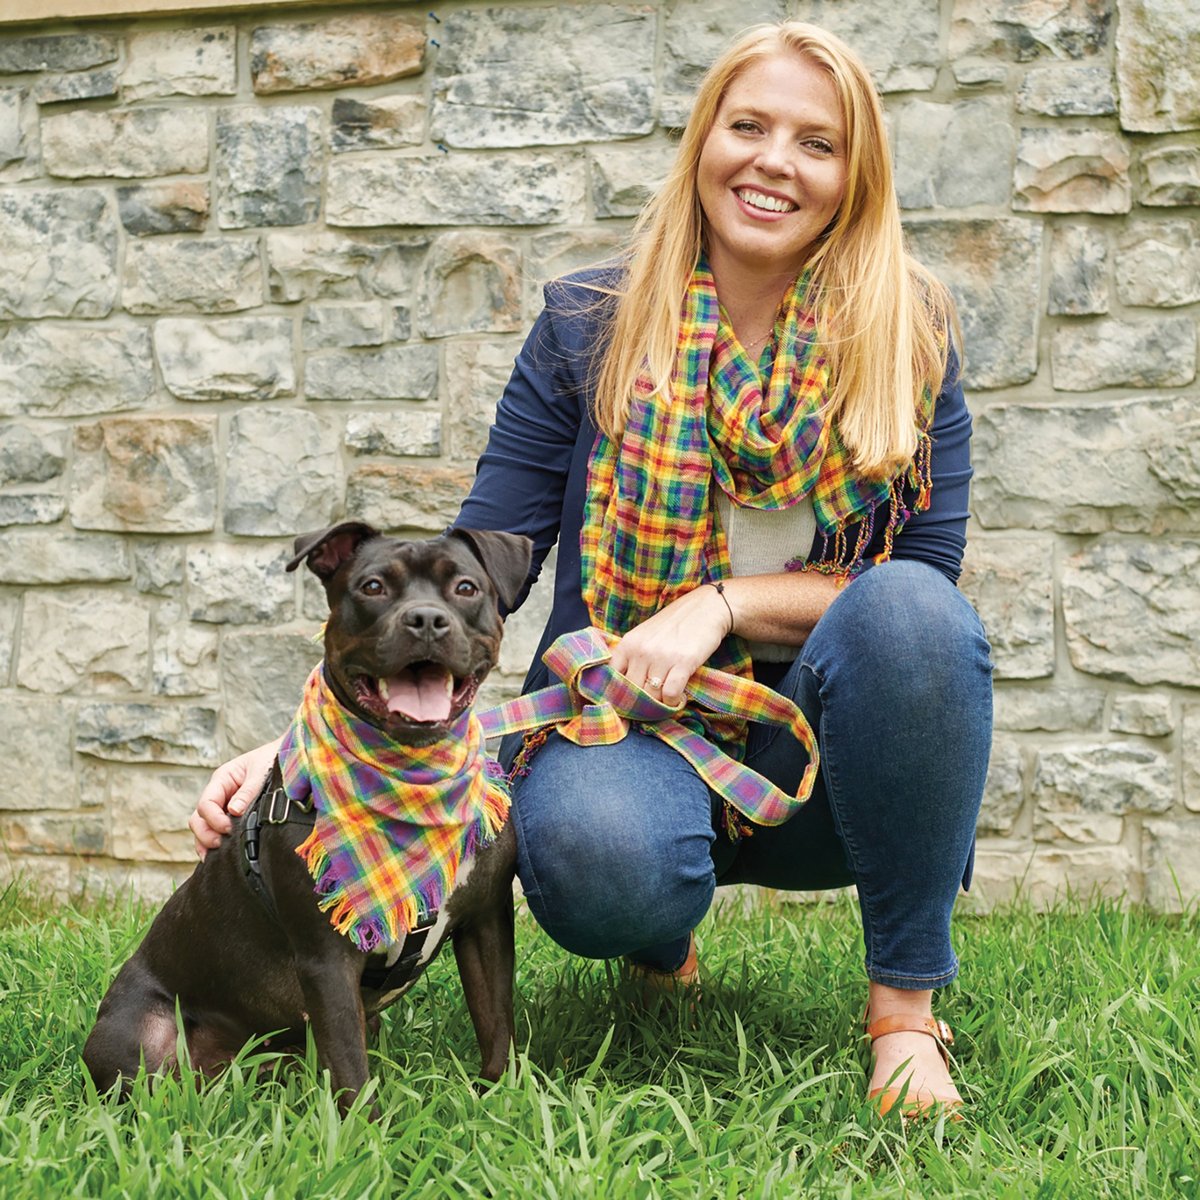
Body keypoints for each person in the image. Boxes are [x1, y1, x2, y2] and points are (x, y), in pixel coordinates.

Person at [191, 21, 992, 1117]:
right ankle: (656, 935)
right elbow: (473, 570)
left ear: (856, 177)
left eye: (817, 143)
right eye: (748, 126)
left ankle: (903, 1014)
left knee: (913, 614)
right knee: (596, 852)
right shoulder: (590, 324)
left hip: (826, 757)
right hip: (627, 723)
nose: (773, 162)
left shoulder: (909, 332)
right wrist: (310, 746)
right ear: (703, 139)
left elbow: (927, 573)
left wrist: (720, 605)